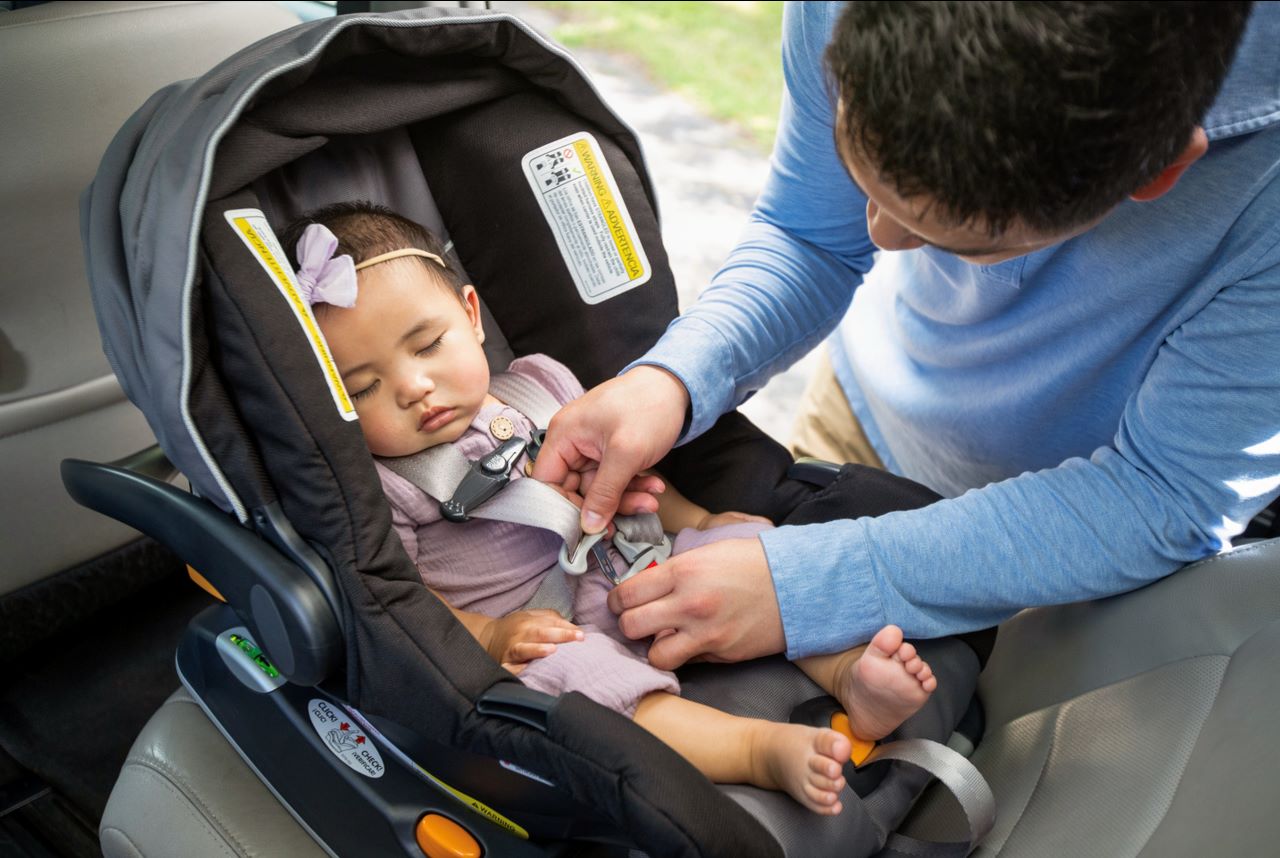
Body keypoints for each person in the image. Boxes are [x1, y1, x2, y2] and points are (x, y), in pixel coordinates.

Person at [531, 1, 1280, 671]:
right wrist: (675, 376)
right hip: (860, 424)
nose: (881, 241)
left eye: (958, 244)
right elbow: (812, 237)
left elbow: (1164, 492)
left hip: (1070, 561)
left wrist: (812, 584)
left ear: (1161, 170)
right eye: (869, 185)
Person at [280, 202, 939, 815]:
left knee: (740, 561)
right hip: (537, 629)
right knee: (581, 687)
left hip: (635, 564)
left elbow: (630, 476)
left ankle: (849, 673)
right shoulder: (384, 486)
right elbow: (408, 601)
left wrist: (699, 524)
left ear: (472, 314)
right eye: (363, 386)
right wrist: (487, 638)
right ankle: (755, 751)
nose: (414, 386)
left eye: (428, 345)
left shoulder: (540, 386)